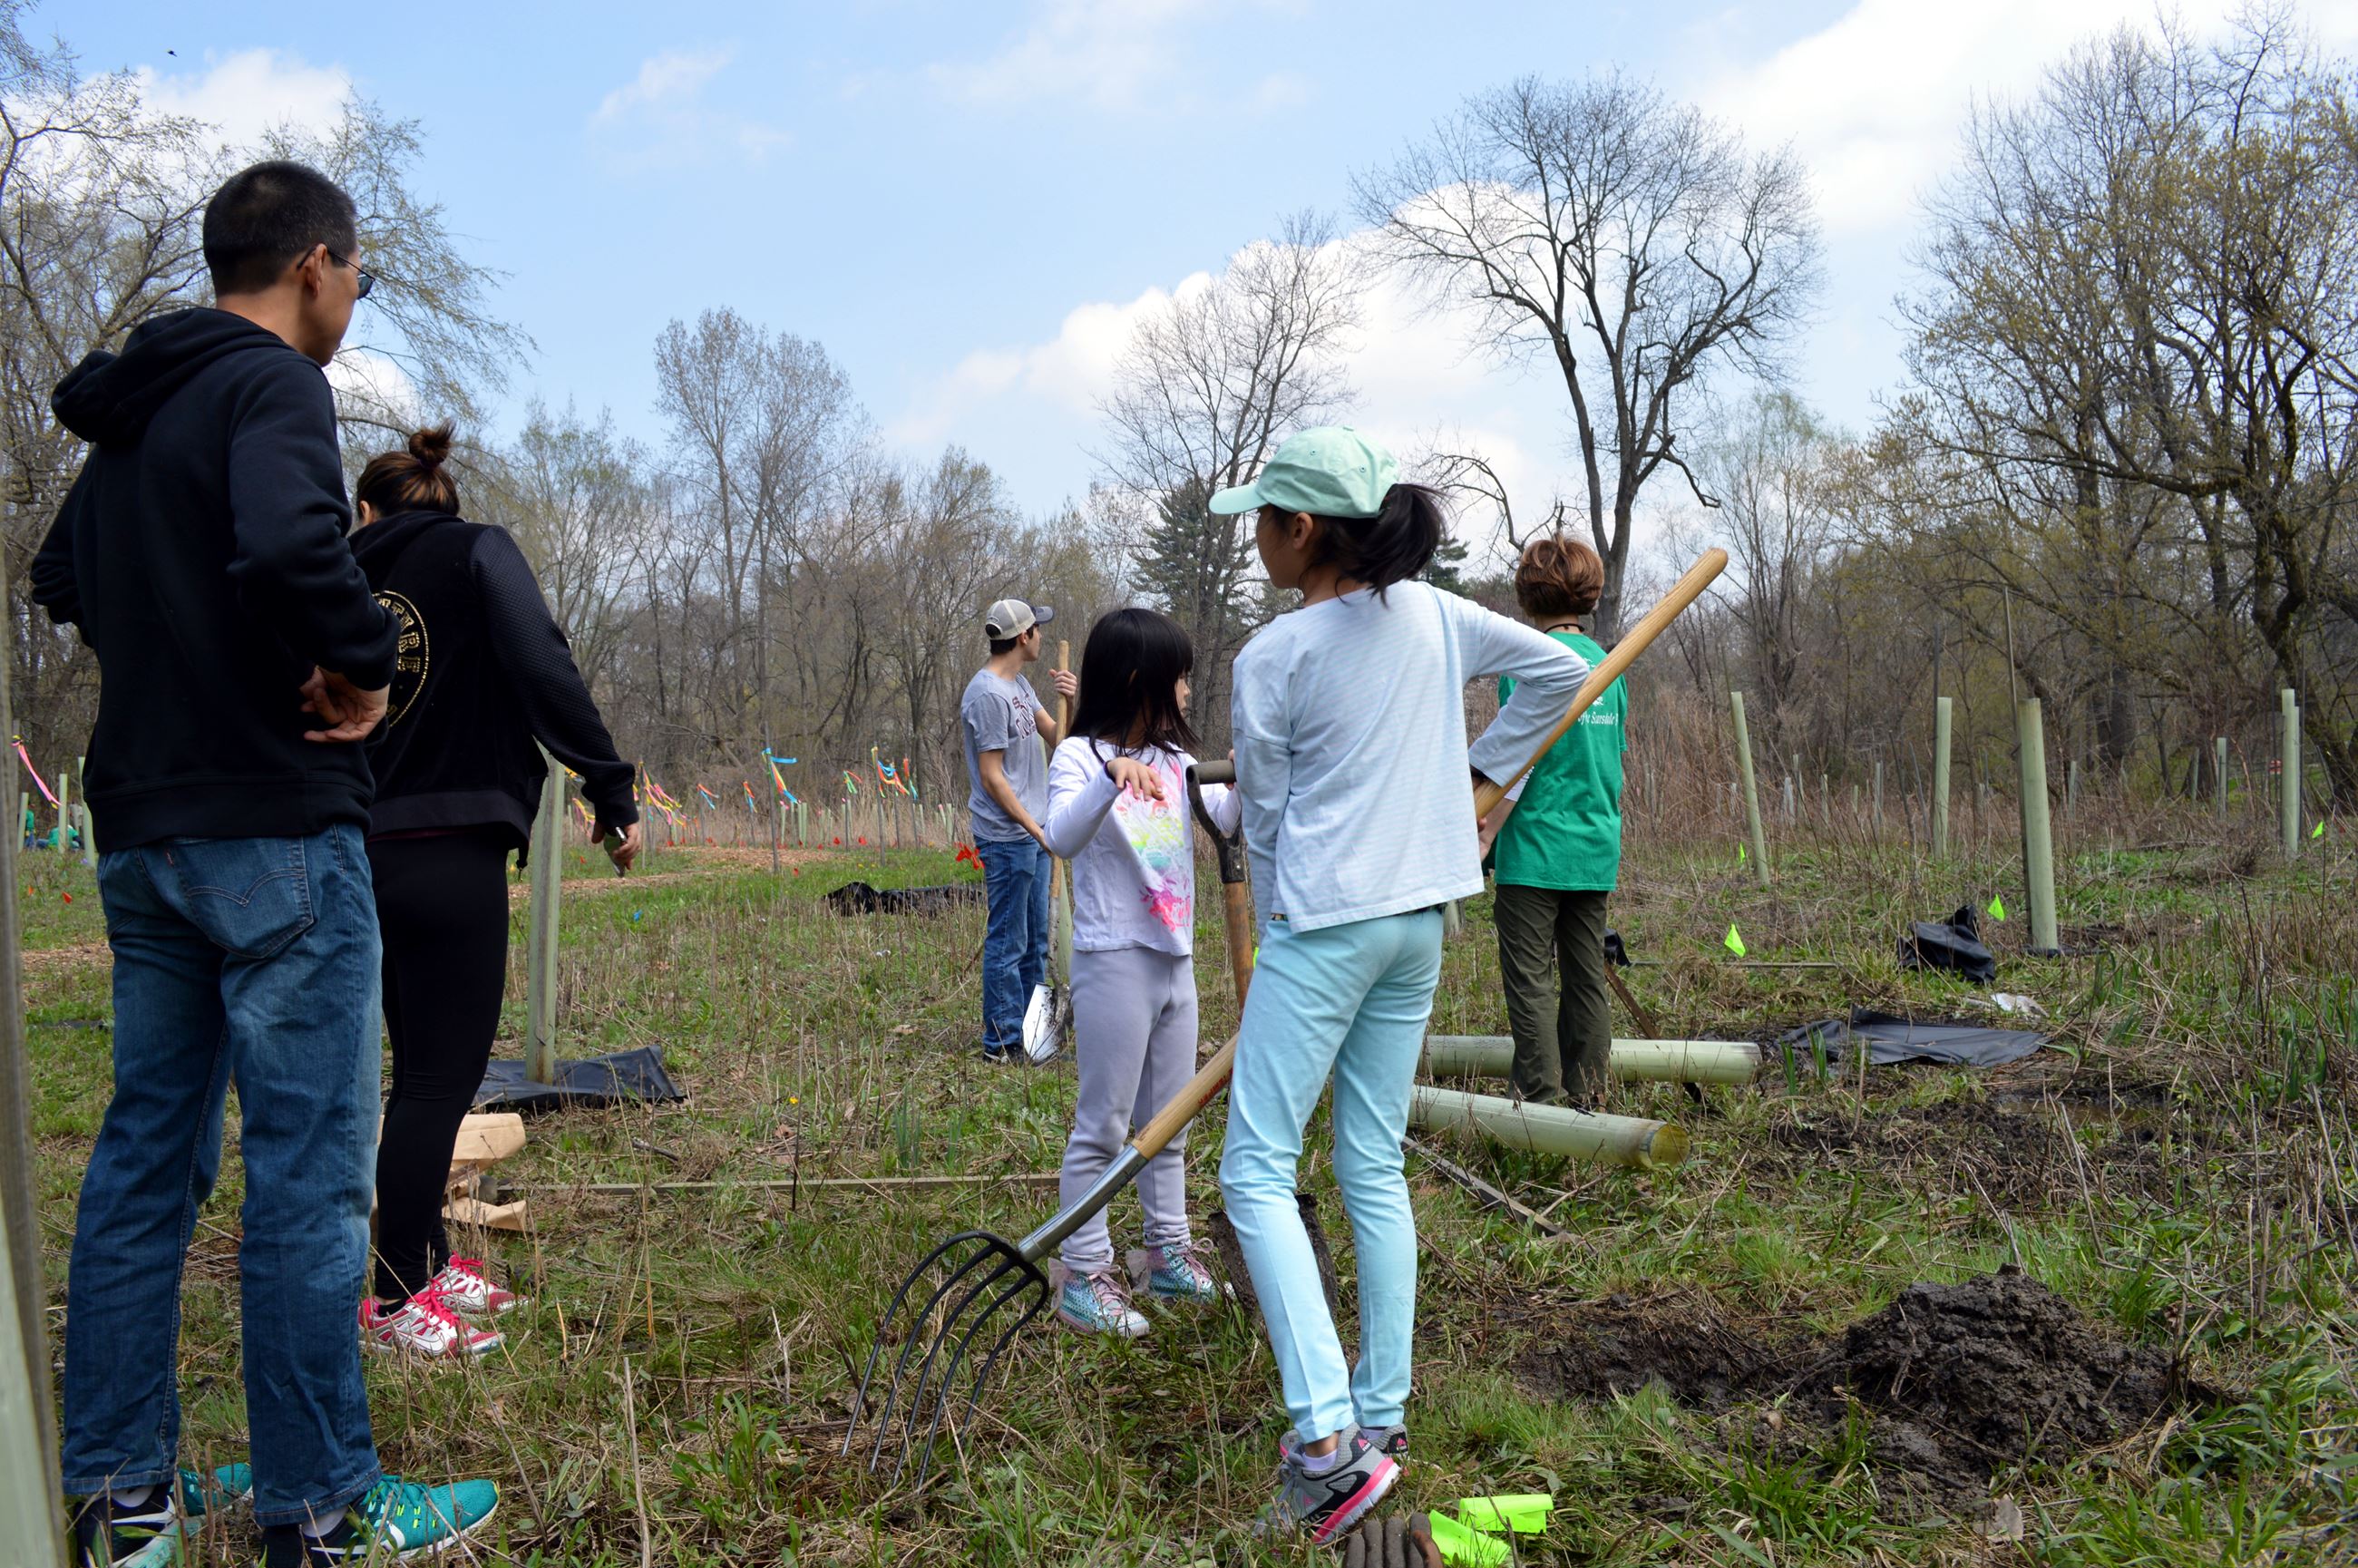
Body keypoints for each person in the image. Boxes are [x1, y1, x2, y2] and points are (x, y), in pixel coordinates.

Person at [32, 161, 498, 1566]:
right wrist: (357, 669)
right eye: (356, 276)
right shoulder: (276, 386)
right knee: (306, 1180)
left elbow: (61, 578)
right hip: (279, 832)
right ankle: (325, 1507)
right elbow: (301, 549)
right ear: (312, 265)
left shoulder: (135, 420)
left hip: (145, 836)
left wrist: (179, 656)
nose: (353, 301)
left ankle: (126, 1503)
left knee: (142, 1167)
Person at [1211, 426, 1588, 1543]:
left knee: (1253, 1170)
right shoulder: (1431, 615)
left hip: (1324, 922)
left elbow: (1267, 820)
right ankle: (1381, 1414)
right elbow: (1559, 672)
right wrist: (1480, 774)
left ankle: (1326, 1444)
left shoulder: (1273, 656)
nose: (1255, 540)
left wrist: (1275, 938)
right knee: (1368, 1159)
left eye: (1264, 521)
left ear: (1306, 528)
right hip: (1421, 918)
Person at [348, 423, 642, 1359]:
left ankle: (424, 1262)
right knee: (441, 1073)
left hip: (353, 844)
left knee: (409, 1069)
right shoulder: (476, 549)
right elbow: (540, 663)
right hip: (450, 843)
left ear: (366, 510)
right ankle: (397, 1297)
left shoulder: (333, 572)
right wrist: (610, 785)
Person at [1039, 608, 1235, 1336]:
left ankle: (1165, 1255)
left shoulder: (1180, 762)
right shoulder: (1078, 759)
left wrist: (1262, 763)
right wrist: (1109, 778)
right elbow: (1058, 836)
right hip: (1113, 960)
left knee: (1168, 1124)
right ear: (1137, 680)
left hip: (1176, 962)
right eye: (1177, 677)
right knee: (1104, 1125)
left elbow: (1230, 815)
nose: (1187, 690)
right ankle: (1082, 1274)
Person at [1478, 535, 1626, 1107]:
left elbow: (1515, 762)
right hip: (1594, 846)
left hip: (1534, 849)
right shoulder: (1615, 667)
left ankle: (1539, 1102)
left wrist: (1486, 830)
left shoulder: (1528, 665)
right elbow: (1611, 760)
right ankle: (1590, 1097)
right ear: (1588, 594)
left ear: (1528, 595)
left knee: (1531, 979)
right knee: (1587, 976)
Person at [960, 598, 1076, 1062]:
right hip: (1008, 837)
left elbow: (1060, 739)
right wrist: (1034, 827)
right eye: (1037, 630)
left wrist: (1071, 699)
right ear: (1022, 637)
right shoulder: (987, 694)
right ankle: (1001, 1043)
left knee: (1036, 940)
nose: (1042, 636)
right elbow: (991, 776)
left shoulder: (1022, 686)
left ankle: (1035, 1039)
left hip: (1035, 831)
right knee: (1009, 941)